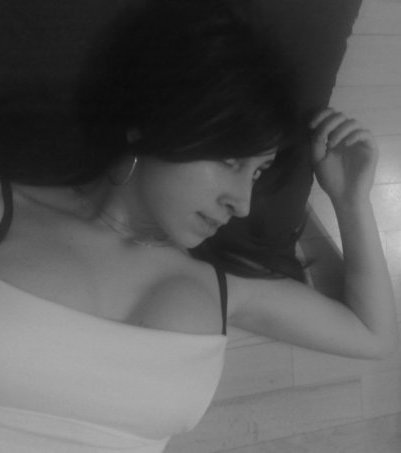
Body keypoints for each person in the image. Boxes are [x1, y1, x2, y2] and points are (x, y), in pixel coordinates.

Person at [0, 1, 398, 452]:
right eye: (231, 160)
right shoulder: (11, 211)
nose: (242, 203)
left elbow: (373, 335)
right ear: (152, 124)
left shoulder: (222, 285)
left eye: (258, 172)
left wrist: (351, 201)